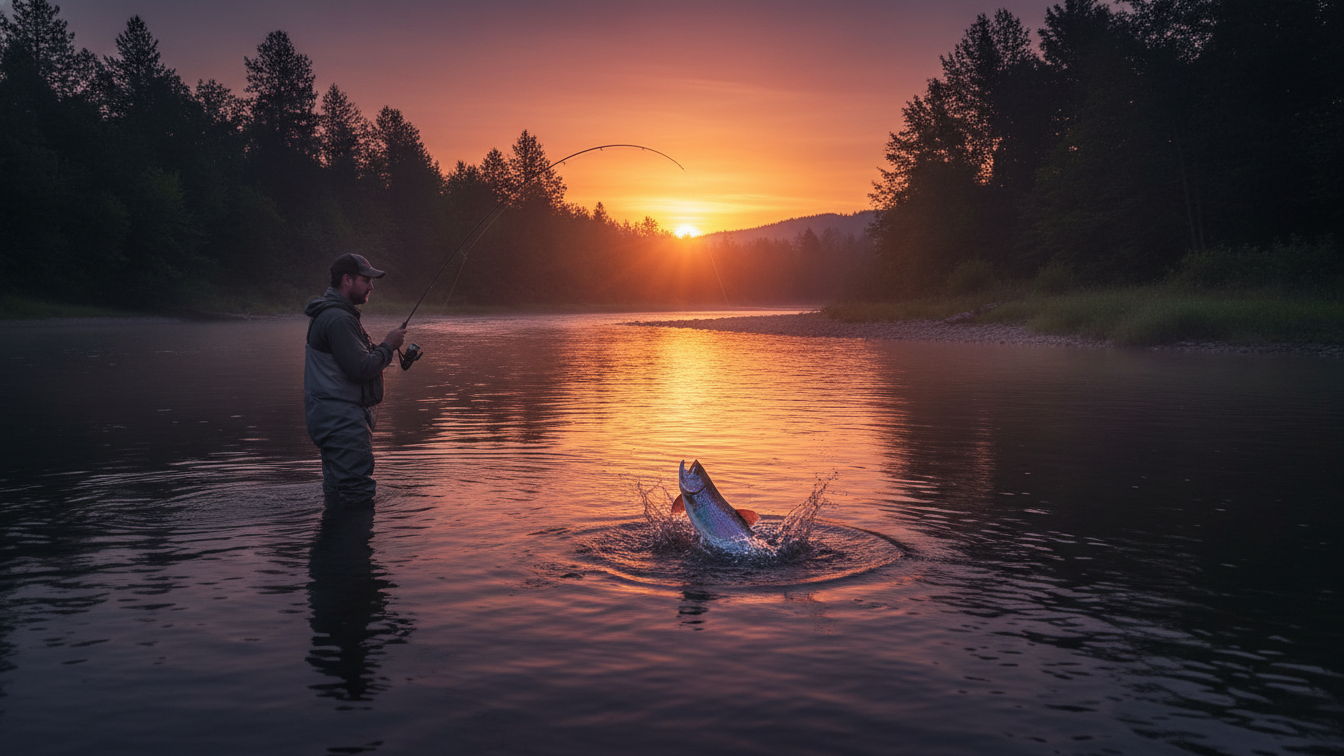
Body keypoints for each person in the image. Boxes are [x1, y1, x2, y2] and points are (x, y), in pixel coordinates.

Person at [304, 253, 407, 507]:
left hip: (331, 418)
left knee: (338, 494)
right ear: (347, 280)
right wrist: (389, 345)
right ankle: (354, 545)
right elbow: (360, 368)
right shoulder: (339, 319)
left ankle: (335, 544)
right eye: (365, 280)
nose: (371, 286)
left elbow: (359, 359)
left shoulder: (338, 316)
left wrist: (383, 349)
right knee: (358, 495)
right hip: (342, 423)